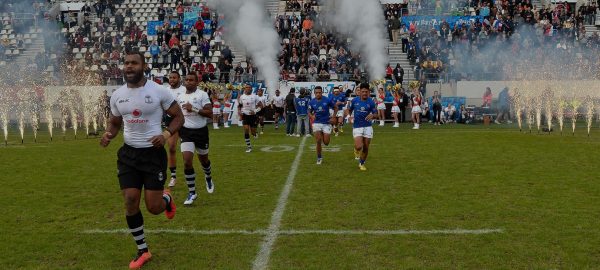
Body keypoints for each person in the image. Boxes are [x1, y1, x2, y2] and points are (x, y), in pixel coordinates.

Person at [100, 52, 183, 269]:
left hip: (153, 155)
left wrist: (165, 135)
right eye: (126, 63)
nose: (129, 66)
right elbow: (116, 123)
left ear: (143, 66)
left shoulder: (158, 90)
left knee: (154, 208)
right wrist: (109, 134)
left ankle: (166, 198)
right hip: (128, 155)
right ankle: (143, 250)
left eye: (134, 63)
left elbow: (178, 116)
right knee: (130, 200)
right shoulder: (117, 95)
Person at [176, 74, 214, 205]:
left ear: (197, 82)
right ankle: (192, 192)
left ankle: (208, 176)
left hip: (201, 132)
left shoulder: (202, 95)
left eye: (191, 80)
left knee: (204, 161)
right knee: (187, 161)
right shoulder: (179, 97)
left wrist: (194, 109)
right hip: (186, 132)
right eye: (186, 80)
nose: (188, 82)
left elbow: (210, 113)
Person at [345, 83, 377, 171]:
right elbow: (348, 110)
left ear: (369, 92)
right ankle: (356, 149)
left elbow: (376, 113)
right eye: (363, 91)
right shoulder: (354, 100)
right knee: (359, 146)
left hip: (368, 127)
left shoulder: (371, 101)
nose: (364, 93)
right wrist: (349, 117)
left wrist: (373, 116)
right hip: (357, 126)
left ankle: (361, 163)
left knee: (366, 147)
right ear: (360, 92)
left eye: (366, 92)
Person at [165, 71, 186, 187]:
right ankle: (173, 177)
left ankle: (189, 170)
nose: (172, 79)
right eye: (170, 78)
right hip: (172, 121)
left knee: (188, 149)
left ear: (179, 79)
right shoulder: (165, 91)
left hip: (185, 121)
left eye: (174, 78)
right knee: (172, 148)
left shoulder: (184, 90)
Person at [308, 86, 337, 164]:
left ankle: (324, 135)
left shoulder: (327, 100)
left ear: (322, 93)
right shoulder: (311, 102)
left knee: (326, 143)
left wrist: (334, 117)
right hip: (316, 123)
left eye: (319, 92)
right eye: (316, 93)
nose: (318, 94)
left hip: (326, 123)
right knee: (318, 141)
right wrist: (311, 116)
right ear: (314, 93)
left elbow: (335, 107)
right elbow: (309, 112)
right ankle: (319, 157)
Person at [238, 84, 263, 152]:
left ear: (251, 89)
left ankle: (255, 133)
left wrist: (255, 111)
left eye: (249, 87)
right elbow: (239, 106)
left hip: (253, 116)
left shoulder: (255, 96)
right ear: (244, 89)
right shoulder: (242, 97)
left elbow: (261, 105)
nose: (248, 88)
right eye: (246, 87)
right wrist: (239, 112)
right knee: (246, 129)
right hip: (245, 116)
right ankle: (249, 147)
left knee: (252, 132)